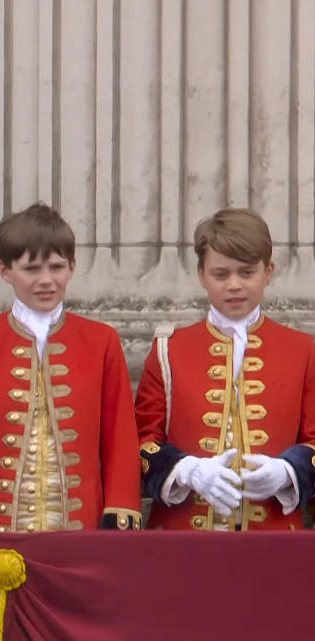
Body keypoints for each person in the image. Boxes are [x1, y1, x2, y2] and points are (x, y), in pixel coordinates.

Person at [0, 204, 141, 532]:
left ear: (72, 267)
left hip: (81, 530)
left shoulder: (102, 341)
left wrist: (120, 510)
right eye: (31, 269)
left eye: (57, 267)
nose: (46, 280)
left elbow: (121, 437)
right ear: (5, 270)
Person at [136, 208, 315, 530]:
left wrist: (289, 471)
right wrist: (185, 470)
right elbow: (140, 439)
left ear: (268, 272)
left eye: (247, 273)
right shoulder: (168, 350)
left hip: (275, 542)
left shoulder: (304, 350)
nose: (234, 285)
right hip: (181, 542)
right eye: (221, 274)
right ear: (202, 274)